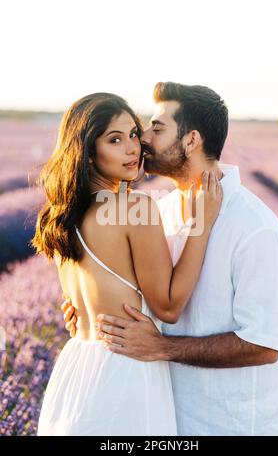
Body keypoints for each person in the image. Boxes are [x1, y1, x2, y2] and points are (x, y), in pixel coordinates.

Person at [65, 82, 278, 436]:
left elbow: (263, 345)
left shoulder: (255, 229)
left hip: (227, 424)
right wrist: (95, 311)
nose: (142, 141)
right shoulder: (160, 211)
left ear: (191, 140)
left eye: (155, 129)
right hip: (158, 415)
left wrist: (163, 347)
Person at [32, 92, 222, 436]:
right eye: (115, 139)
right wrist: (202, 224)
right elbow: (168, 306)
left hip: (74, 374)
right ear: (88, 151)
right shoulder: (135, 208)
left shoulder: (59, 219)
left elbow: (82, 312)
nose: (133, 148)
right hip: (123, 376)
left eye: (133, 134)